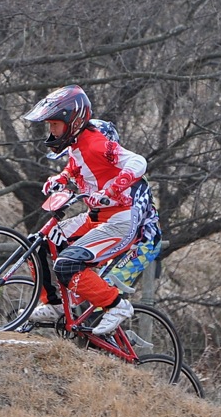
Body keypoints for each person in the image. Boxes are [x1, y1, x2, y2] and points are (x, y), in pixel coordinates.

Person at [22, 85, 147, 335]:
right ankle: (54, 305)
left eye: (54, 124)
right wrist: (60, 178)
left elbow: (138, 162)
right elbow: (76, 168)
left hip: (119, 222)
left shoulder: (96, 144)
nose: (51, 131)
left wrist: (110, 191)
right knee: (37, 244)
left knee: (67, 265)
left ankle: (116, 305)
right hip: (95, 219)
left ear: (72, 121)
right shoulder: (78, 146)